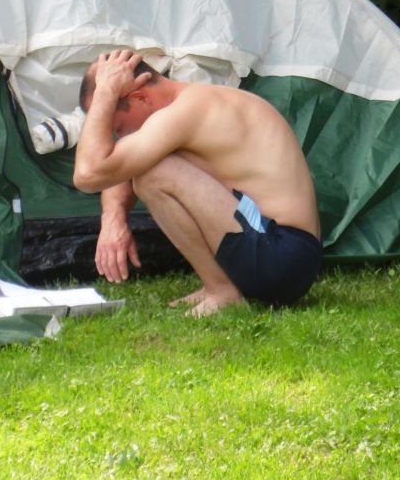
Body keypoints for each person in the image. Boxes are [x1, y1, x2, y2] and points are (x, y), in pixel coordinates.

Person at [72, 50, 322, 316]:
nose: (121, 137)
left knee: (154, 174)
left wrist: (105, 93)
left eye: (119, 128)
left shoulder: (189, 111)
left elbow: (88, 174)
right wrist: (113, 216)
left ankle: (222, 291)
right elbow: (121, 163)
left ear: (141, 97)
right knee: (150, 167)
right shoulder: (190, 103)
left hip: (281, 254)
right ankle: (219, 286)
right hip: (284, 254)